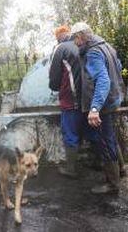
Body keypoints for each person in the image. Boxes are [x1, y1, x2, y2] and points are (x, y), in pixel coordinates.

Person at [71, 22, 125, 194]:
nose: (75, 43)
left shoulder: (93, 52)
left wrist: (94, 108)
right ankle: (121, 170)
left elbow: (103, 80)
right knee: (110, 137)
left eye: (75, 39)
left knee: (105, 141)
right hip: (113, 100)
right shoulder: (106, 46)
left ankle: (112, 184)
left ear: (81, 36)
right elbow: (118, 67)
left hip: (103, 105)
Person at [49, 25, 82, 178]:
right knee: (94, 131)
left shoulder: (61, 48)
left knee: (70, 132)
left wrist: (55, 88)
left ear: (59, 36)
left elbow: (54, 75)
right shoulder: (82, 44)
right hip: (87, 98)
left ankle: (71, 169)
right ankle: (108, 165)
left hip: (70, 98)